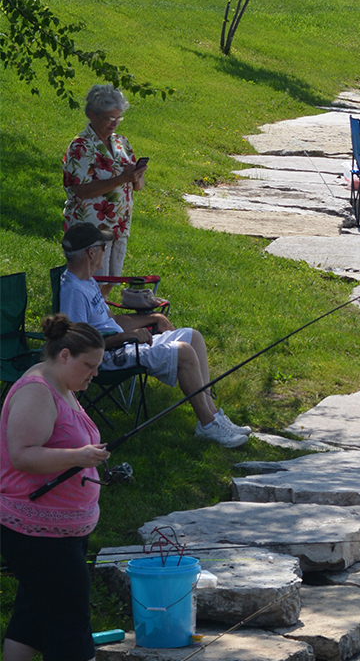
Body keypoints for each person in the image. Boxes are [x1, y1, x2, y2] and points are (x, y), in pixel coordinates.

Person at [58, 224, 251, 448]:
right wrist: (127, 337)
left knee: (192, 337)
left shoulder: (88, 281)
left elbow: (114, 320)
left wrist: (154, 318)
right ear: (90, 253)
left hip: (123, 344)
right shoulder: (73, 290)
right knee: (184, 353)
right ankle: (207, 425)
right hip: (106, 356)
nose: (105, 251)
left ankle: (213, 416)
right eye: (103, 247)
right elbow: (78, 344)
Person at [1, 314, 109, 661]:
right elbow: (23, 456)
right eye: (89, 365)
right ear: (64, 356)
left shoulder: (63, 386)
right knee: (71, 625)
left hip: (62, 530)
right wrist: (78, 455)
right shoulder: (36, 391)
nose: (94, 374)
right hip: (38, 534)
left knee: (31, 618)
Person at [62, 84, 146, 287]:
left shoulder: (121, 143)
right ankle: (86, 319)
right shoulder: (81, 146)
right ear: (92, 114)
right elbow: (80, 190)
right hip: (92, 230)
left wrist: (136, 176)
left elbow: (137, 187)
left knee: (110, 284)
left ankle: (103, 318)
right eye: (110, 118)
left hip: (119, 226)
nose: (115, 123)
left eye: (118, 118)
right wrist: (121, 179)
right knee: (90, 284)